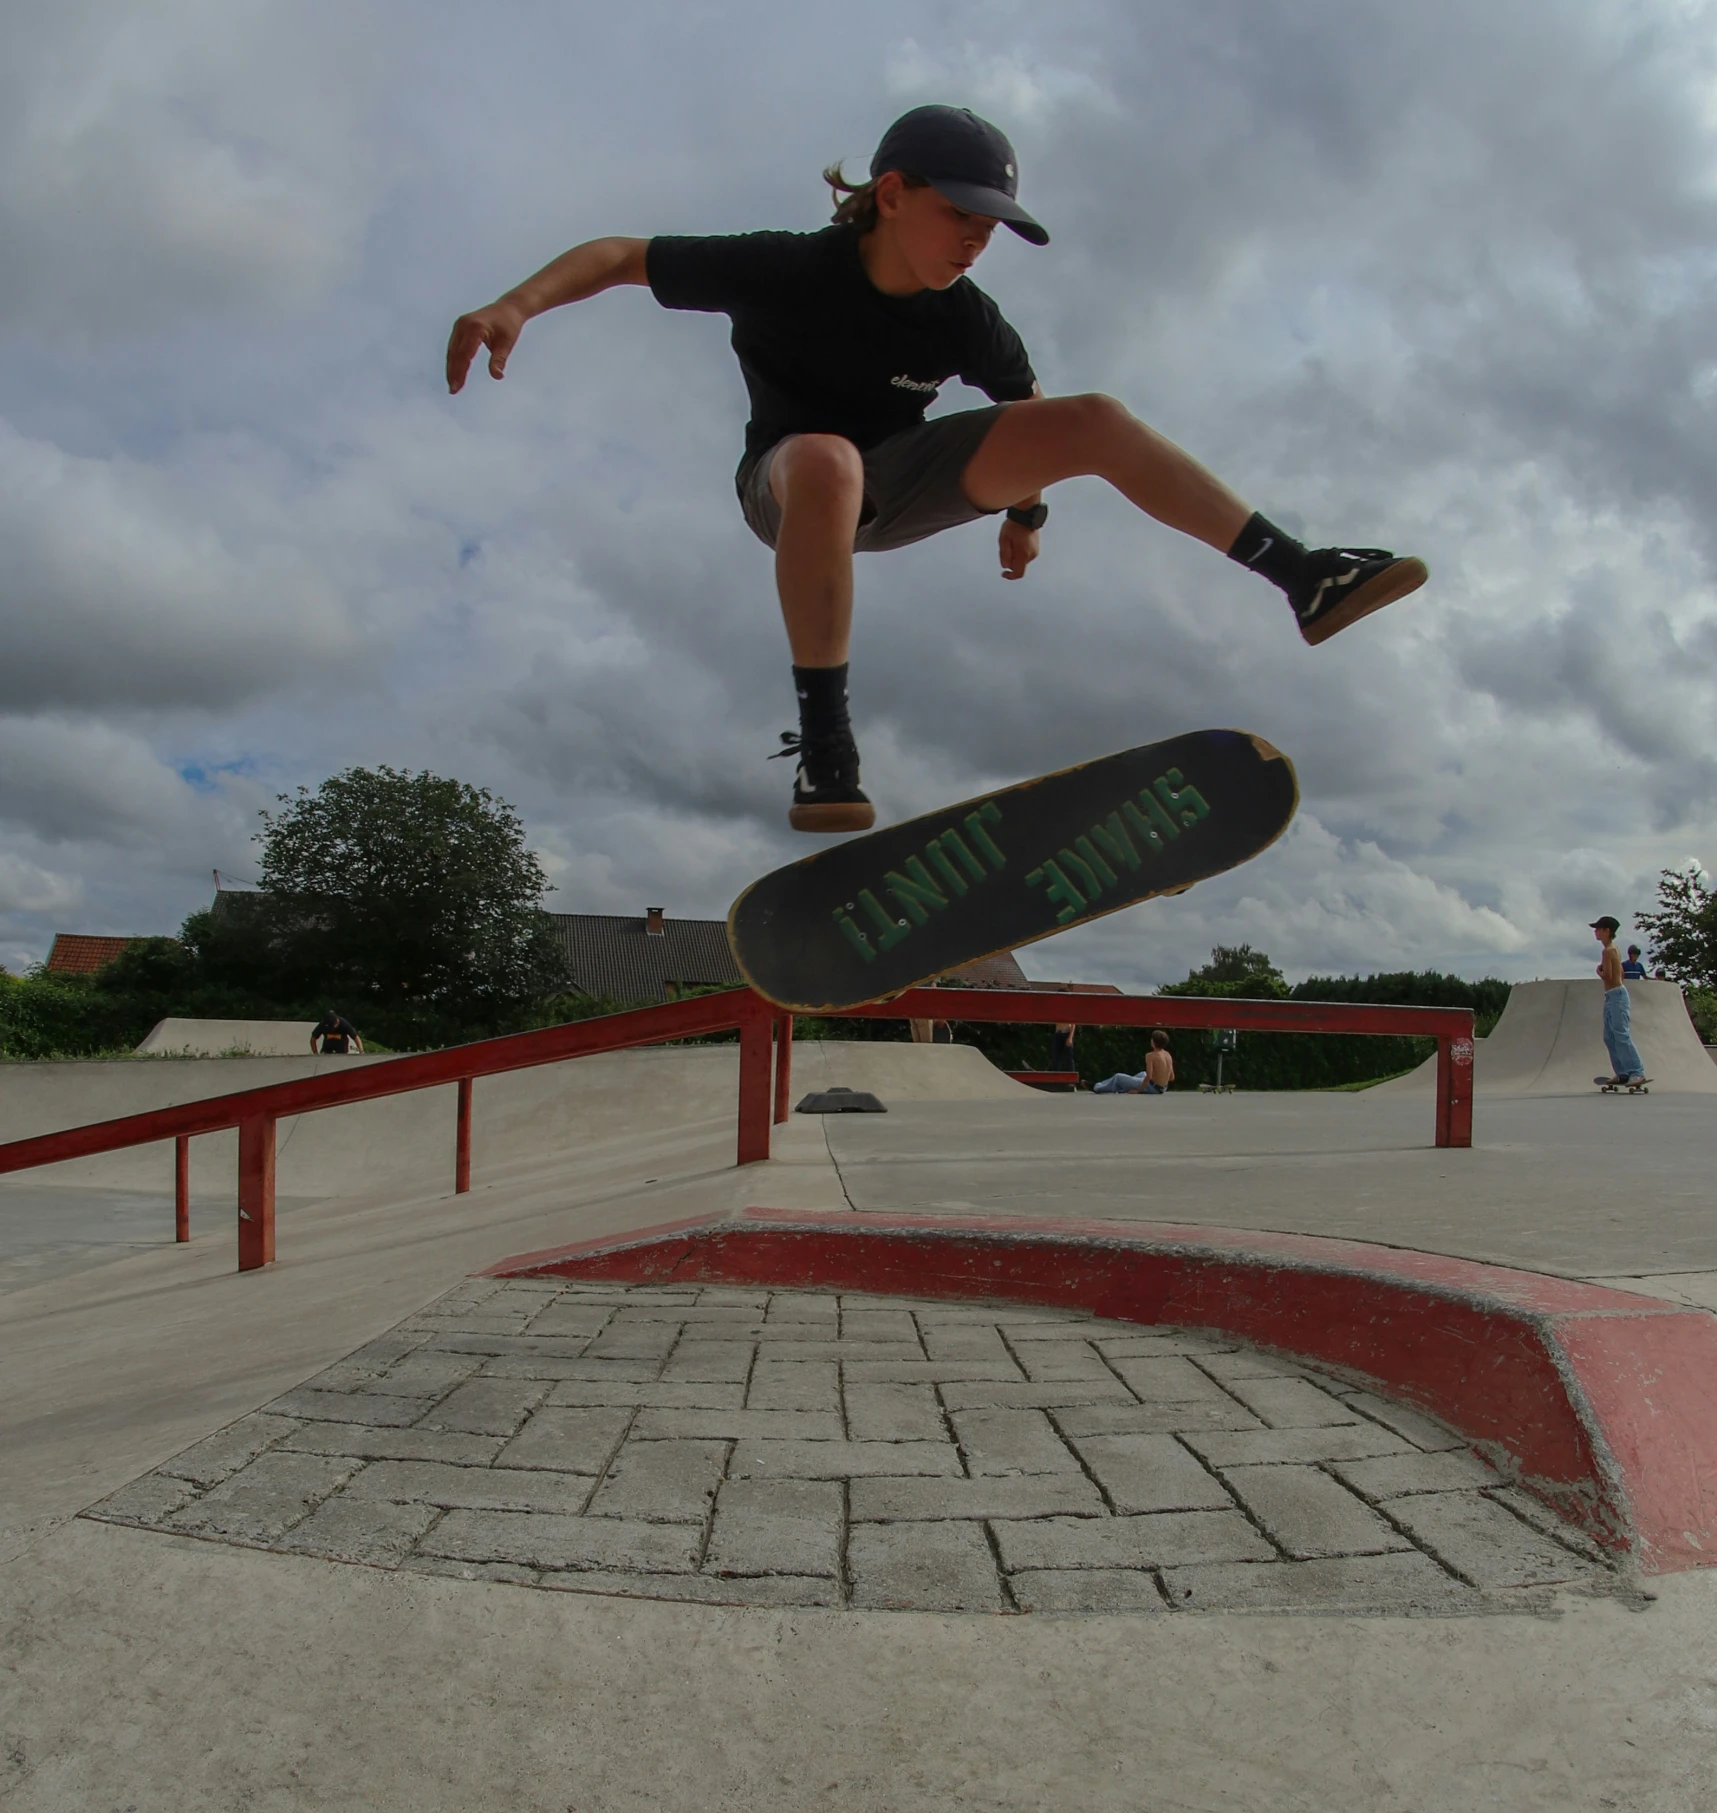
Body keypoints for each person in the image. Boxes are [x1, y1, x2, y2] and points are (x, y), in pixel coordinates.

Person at [446, 106, 1428, 834]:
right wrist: (514, 306)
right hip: (785, 488)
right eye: (961, 213)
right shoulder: (786, 269)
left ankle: (1302, 575)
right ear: (891, 194)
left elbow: (1027, 414)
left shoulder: (966, 317)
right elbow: (623, 254)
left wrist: (1025, 517)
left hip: (903, 483)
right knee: (828, 459)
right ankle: (825, 748)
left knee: (1092, 417)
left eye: (992, 224)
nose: (976, 239)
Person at [1591, 918, 1646, 1086]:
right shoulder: (1615, 950)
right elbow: (1621, 974)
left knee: (1621, 1034)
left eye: (1598, 929)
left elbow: (1607, 975)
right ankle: (1622, 1072)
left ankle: (1637, 1071)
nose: (1596, 932)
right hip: (1612, 995)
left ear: (1607, 931)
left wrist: (1599, 971)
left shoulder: (1608, 951)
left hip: (1617, 996)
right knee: (1609, 1036)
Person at [1093, 1030, 1175, 1095]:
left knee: (1118, 1077)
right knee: (1142, 1074)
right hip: (1163, 1088)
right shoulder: (1167, 1055)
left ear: (1153, 1042)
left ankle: (1096, 1087)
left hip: (1152, 1088)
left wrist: (1138, 1091)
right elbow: (1171, 1077)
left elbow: (1149, 1076)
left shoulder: (1151, 1055)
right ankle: (1122, 1087)